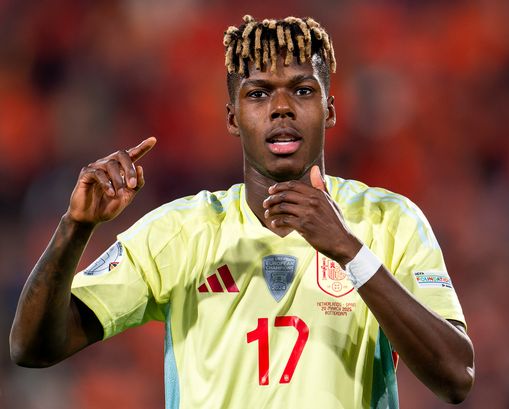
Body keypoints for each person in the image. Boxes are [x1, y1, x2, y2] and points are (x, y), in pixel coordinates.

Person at [10, 15, 475, 408]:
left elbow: (456, 376)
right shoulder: (183, 231)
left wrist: (351, 253)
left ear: (330, 110)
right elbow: (32, 347)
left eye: (302, 91)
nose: (281, 108)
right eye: (258, 94)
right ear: (232, 117)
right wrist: (75, 228)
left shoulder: (389, 222)